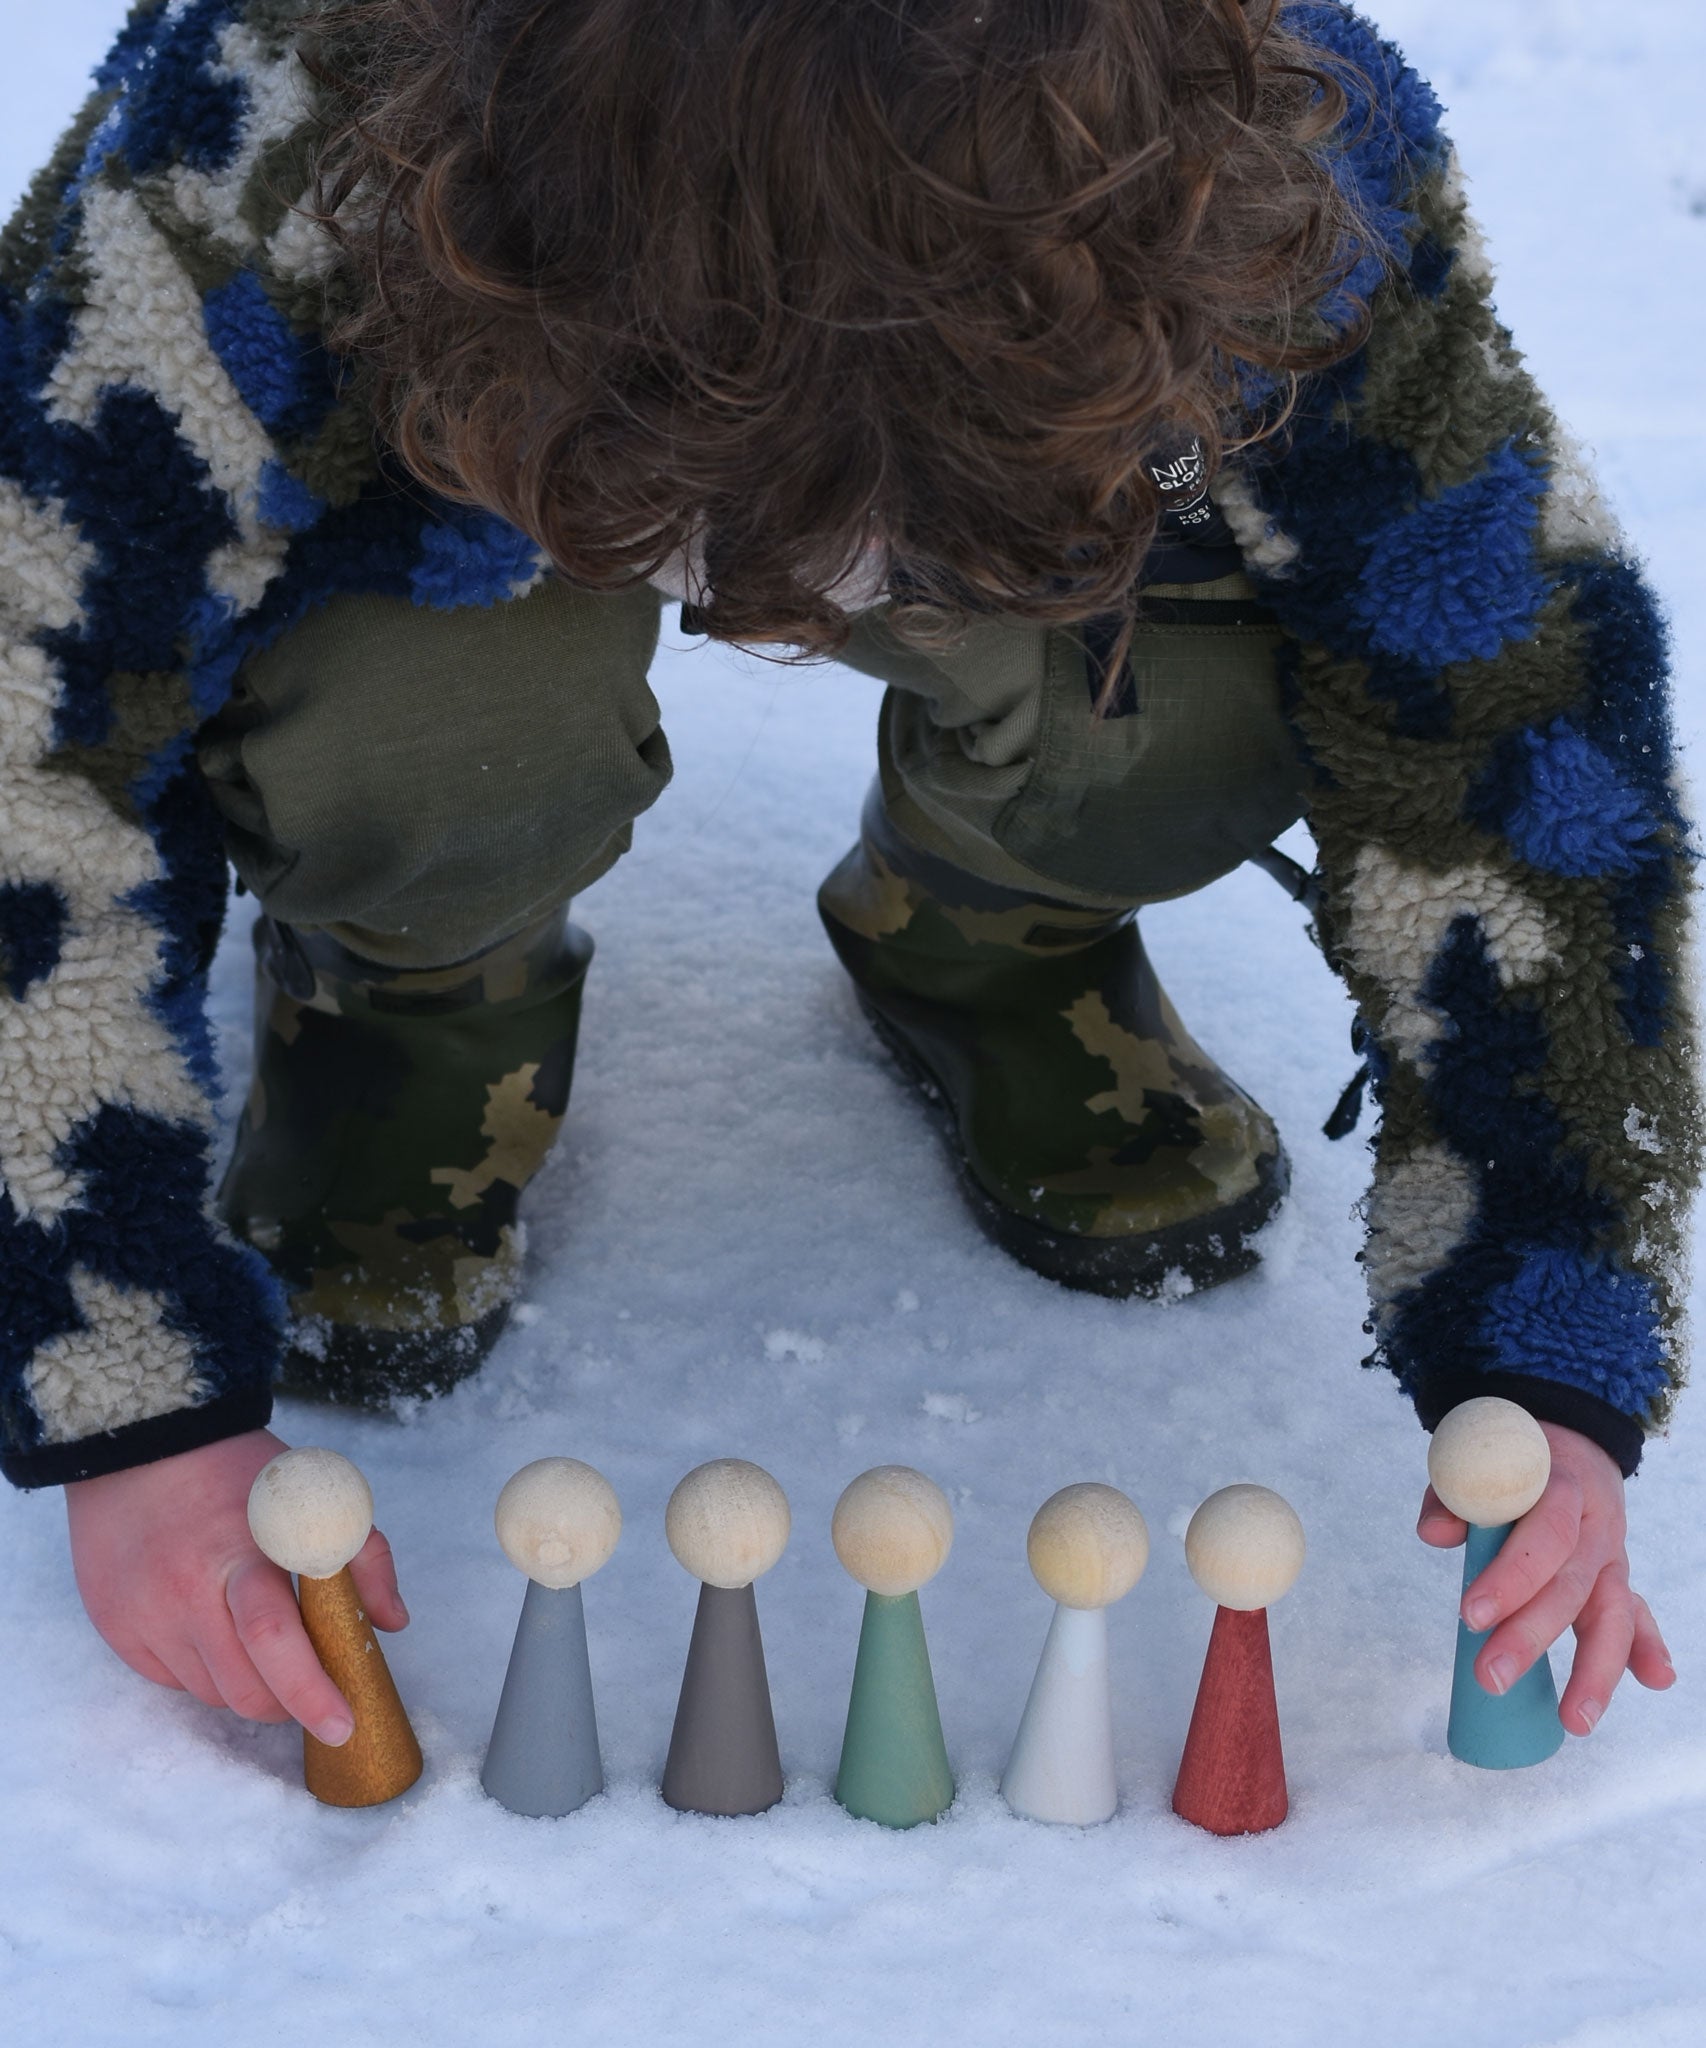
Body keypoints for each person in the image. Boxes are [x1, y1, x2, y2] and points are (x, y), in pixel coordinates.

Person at [1, 0, 1693, 1756]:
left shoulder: (1276, 156)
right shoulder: (275, 130)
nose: (822, 593)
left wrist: (1543, 1338)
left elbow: (1514, 713)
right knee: (410, 724)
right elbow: (20, 726)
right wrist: (122, 1390)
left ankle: (991, 925)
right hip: (479, 418)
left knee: (1230, 664)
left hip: (1004, 433)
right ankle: (408, 985)